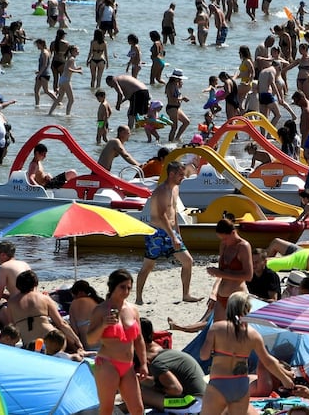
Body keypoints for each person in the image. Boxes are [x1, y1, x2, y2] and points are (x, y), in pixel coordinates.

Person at [199, 292, 295, 415]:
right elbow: (267, 361)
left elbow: (204, 355)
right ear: (248, 310)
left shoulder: (217, 328)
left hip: (218, 383)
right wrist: (285, 379)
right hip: (240, 385)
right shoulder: (253, 334)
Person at [138, 161, 203, 305]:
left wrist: (177, 234)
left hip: (171, 232)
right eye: (180, 174)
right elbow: (162, 216)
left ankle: (186, 294)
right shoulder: (162, 190)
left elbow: (173, 214)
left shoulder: (175, 189)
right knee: (148, 266)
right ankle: (138, 298)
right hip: (157, 233)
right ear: (172, 174)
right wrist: (173, 236)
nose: (183, 177)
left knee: (188, 261)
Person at [87, 269, 148, 415]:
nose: (126, 291)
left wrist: (144, 363)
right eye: (122, 287)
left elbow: (139, 339)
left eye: (129, 288)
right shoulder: (101, 310)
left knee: (138, 409)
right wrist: (103, 325)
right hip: (107, 363)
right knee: (107, 409)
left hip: (128, 366)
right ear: (112, 286)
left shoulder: (133, 310)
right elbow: (90, 339)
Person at [7, 270, 83, 351]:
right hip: (52, 341)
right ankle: (78, 351)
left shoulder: (11, 303)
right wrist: (77, 340)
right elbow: (61, 323)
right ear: (35, 283)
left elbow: (12, 327)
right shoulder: (43, 298)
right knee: (62, 331)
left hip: (30, 345)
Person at [140, 319, 206, 411]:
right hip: (205, 401)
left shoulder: (157, 363)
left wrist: (155, 389)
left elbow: (175, 390)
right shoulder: (168, 355)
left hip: (193, 405)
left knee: (142, 394)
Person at [207, 219, 253, 321]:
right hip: (221, 295)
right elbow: (222, 271)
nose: (223, 241)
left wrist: (220, 273)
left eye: (225, 239)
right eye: (221, 239)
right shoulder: (223, 245)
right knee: (218, 329)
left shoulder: (243, 247)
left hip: (237, 297)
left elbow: (248, 276)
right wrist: (215, 272)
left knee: (236, 332)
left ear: (233, 233)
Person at [69, 280, 104, 350]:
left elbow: (75, 331)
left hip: (89, 347)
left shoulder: (74, 303)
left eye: (74, 295)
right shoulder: (97, 301)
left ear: (79, 292)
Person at [48, 44, 83, 116]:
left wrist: (77, 68)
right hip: (66, 80)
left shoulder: (70, 58)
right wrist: (77, 71)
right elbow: (68, 69)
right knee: (71, 100)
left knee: (59, 98)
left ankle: (50, 113)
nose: (78, 52)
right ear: (72, 51)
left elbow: (69, 68)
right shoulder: (71, 59)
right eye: (77, 51)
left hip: (62, 79)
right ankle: (68, 115)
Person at [165, 69, 191, 142]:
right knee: (174, 127)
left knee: (186, 122)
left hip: (177, 107)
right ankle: (170, 142)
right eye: (179, 78)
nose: (180, 80)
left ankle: (177, 138)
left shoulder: (176, 84)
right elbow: (172, 98)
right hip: (171, 107)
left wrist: (180, 86)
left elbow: (177, 95)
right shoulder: (170, 85)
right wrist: (182, 98)